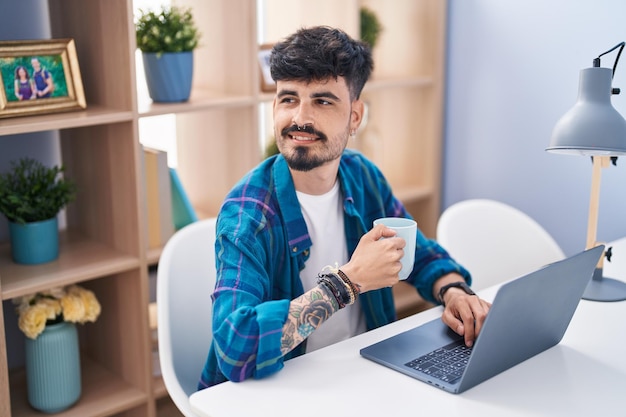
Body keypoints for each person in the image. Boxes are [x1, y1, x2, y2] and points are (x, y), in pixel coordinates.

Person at [198, 26, 491, 389]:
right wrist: (347, 283)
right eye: (289, 99)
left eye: (322, 101)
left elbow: (420, 254)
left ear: (355, 116)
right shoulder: (248, 213)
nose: (300, 118)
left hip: (363, 374)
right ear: (274, 107)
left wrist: (456, 292)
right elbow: (235, 347)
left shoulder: (363, 177)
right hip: (280, 391)